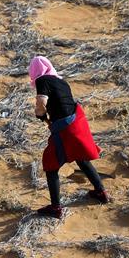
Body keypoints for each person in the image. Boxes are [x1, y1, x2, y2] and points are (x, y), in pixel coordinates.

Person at [29, 55, 109, 219]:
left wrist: (40, 114)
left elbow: (41, 101)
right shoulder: (61, 81)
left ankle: (56, 207)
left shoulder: (42, 80)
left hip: (65, 128)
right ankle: (101, 192)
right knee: (81, 158)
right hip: (77, 124)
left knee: (50, 165)